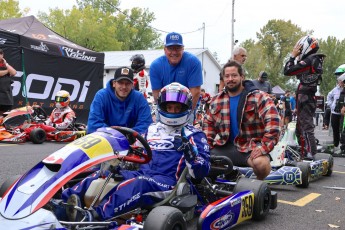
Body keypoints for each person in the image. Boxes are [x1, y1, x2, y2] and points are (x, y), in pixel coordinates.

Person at [62, 82, 210, 220]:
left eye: (177, 108)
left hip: (168, 182)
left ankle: (94, 216)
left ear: (186, 108)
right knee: (104, 173)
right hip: (142, 173)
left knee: (139, 183)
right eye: (169, 107)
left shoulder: (194, 134)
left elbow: (201, 172)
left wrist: (191, 153)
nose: (172, 111)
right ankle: (64, 203)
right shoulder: (152, 129)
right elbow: (136, 151)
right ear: (162, 107)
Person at [203, 60, 281, 180]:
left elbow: (274, 125)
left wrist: (264, 147)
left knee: (262, 165)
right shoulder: (216, 101)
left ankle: (256, 186)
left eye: (234, 75)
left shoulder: (259, 97)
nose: (230, 79)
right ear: (223, 79)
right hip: (225, 147)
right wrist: (205, 148)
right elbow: (207, 128)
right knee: (198, 159)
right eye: (227, 76)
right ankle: (220, 182)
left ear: (242, 77)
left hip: (249, 148)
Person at [284, 35, 326, 159]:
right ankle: (304, 151)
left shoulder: (311, 59)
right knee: (300, 127)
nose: (298, 53)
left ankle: (310, 153)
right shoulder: (314, 60)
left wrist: (292, 56)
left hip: (306, 98)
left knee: (306, 125)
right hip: (305, 97)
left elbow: (287, 71)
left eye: (300, 50)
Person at [87, 67, 152, 134]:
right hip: (106, 140)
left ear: (132, 85)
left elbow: (146, 124)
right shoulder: (101, 96)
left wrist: (128, 137)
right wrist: (118, 135)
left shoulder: (139, 98)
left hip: (131, 141)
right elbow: (93, 125)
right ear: (114, 83)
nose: (124, 87)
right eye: (120, 83)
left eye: (127, 83)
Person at [150, 32, 203, 111]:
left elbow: (195, 93)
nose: (174, 52)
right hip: (165, 107)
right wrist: (166, 114)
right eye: (170, 48)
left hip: (187, 106)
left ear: (183, 49)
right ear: (164, 49)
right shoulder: (155, 66)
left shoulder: (193, 62)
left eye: (177, 48)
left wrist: (187, 113)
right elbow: (157, 95)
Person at [328, 73, 345, 154]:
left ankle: (342, 145)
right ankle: (336, 144)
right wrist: (331, 106)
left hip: (342, 113)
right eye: (339, 81)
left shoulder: (344, 89)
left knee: (341, 129)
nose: (340, 82)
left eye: (341, 81)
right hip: (335, 112)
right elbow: (329, 97)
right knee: (335, 129)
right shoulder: (335, 90)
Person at [0, 49, 17, 116]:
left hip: (6, 98)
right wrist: (7, 71)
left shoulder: (5, 65)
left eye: (0, 54)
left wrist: (6, 64)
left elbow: (14, 72)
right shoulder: (7, 70)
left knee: (4, 119)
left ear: (2, 55)